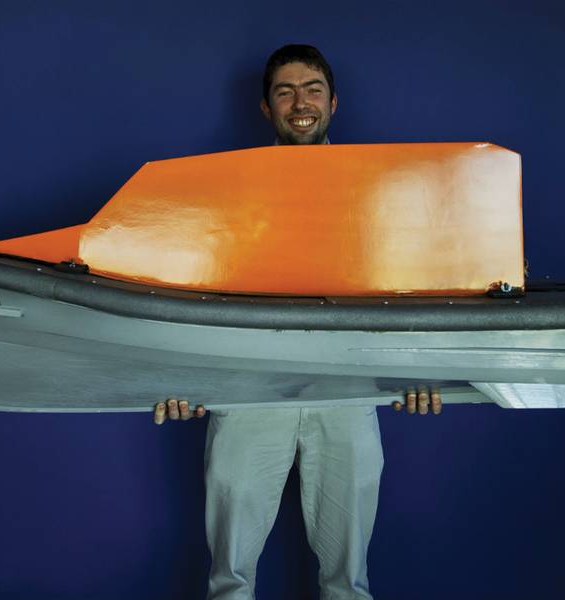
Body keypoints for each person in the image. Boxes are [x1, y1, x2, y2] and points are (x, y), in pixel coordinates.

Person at [153, 44, 442, 600]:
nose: (299, 102)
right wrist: (183, 380)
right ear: (266, 108)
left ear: (333, 101)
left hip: (348, 389)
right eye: (284, 92)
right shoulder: (230, 190)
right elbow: (198, 291)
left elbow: (406, 285)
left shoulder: (372, 189)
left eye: (311, 89)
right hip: (247, 387)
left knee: (349, 582)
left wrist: (424, 370)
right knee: (229, 579)